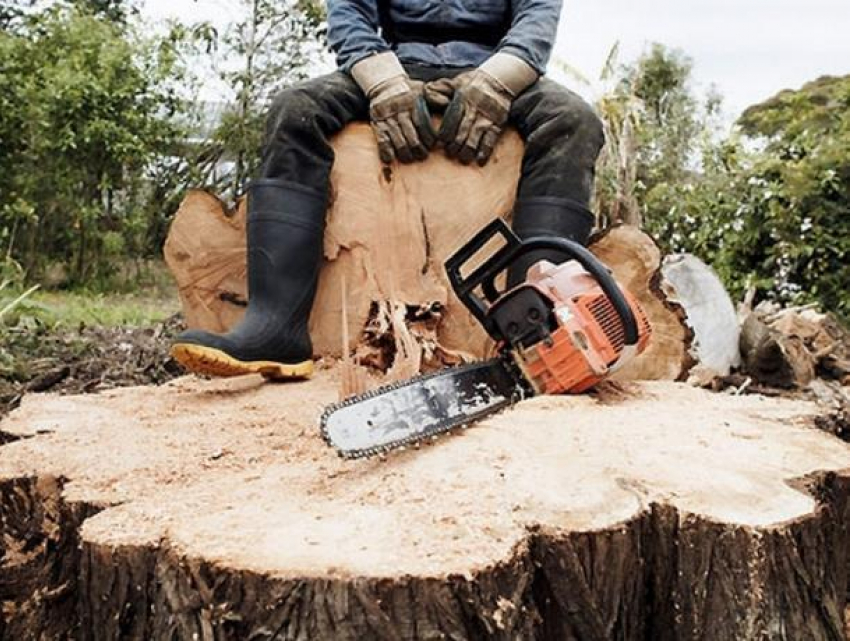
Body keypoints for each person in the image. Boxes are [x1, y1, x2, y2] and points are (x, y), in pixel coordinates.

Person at [170, 0, 605, 379]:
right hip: (395, 67)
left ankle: (540, 331)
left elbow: (537, 17)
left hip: (494, 68)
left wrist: (495, 81)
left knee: (572, 122)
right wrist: (382, 80)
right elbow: (350, 13)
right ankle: (275, 326)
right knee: (295, 111)